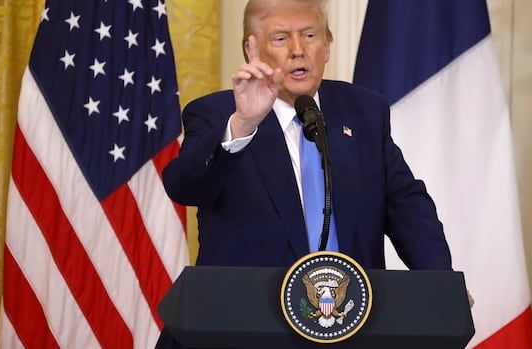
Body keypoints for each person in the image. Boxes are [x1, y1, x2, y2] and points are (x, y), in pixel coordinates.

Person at [157, 1, 455, 346]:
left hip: (348, 325)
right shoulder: (218, 114)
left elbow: (407, 205)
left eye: (310, 35)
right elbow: (184, 187)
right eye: (281, 39)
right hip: (244, 329)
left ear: (327, 44)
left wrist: (440, 284)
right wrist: (243, 125)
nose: (298, 51)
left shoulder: (363, 111)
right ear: (251, 48)